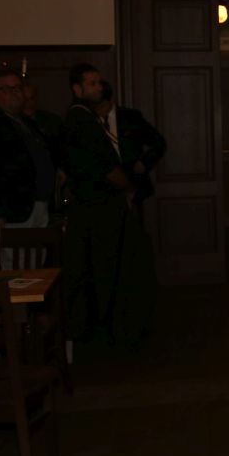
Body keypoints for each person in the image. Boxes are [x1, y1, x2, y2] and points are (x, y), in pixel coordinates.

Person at [62, 64, 155, 344]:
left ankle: (111, 325)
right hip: (100, 208)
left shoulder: (84, 117)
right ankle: (114, 328)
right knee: (110, 268)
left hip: (96, 207)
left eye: (99, 83)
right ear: (77, 89)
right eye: (92, 83)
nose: (99, 88)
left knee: (106, 268)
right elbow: (105, 166)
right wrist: (128, 187)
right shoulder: (82, 119)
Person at [0, 70, 57, 266]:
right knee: (14, 268)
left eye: (17, 88)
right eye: (7, 89)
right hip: (12, 211)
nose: (15, 93)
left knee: (35, 267)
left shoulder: (27, 122)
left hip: (38, 204)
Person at [95, 81, 167, 213]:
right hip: (102, 188)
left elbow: (158, 142)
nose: (101, 111)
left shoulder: (130, 117)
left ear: (110, 100)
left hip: (132, 184)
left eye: (103, 106)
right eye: (96, 107)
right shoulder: (89, 120)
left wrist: (144, 162)